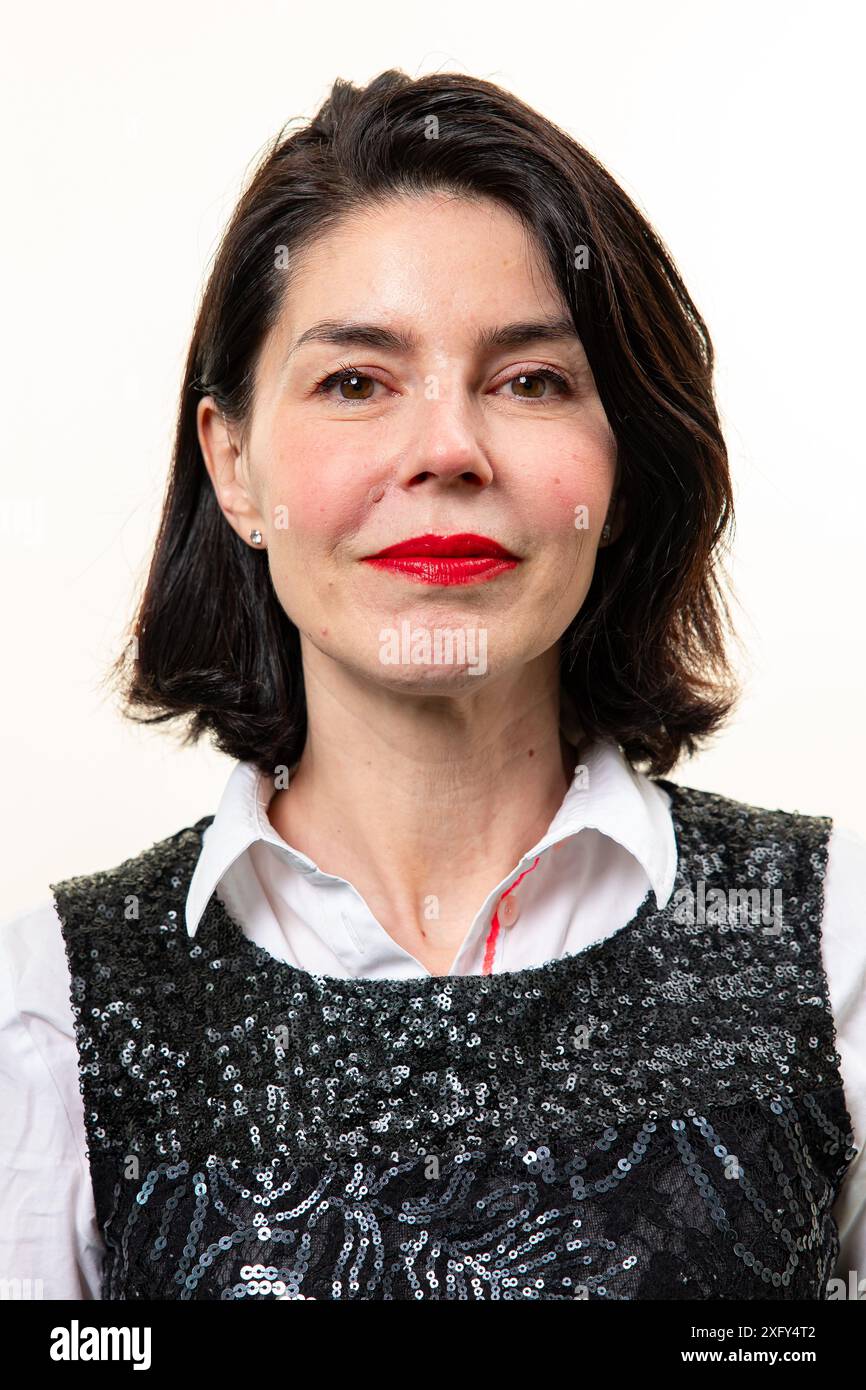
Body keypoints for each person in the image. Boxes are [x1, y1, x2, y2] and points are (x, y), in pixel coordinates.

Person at [2, 68, 864, 1302]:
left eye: (530, 382)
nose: (447, 450)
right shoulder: (44, 1013)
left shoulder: (836, 951)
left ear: (620, 465)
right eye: (355, 381)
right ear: (233, 462)